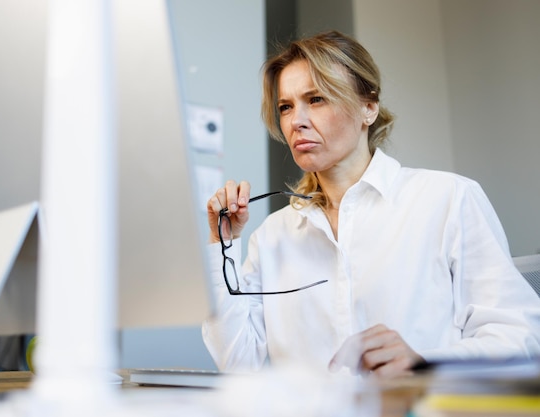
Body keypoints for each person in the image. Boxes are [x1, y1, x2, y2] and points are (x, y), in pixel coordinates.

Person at [202, 30, 540, 379]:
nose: (296, 121)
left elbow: (520, 338)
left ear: (368, 107)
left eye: (316, 99)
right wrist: (222, 244)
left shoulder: (448, 200)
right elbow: (238, 361)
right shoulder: (272, 235)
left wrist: (424, 362)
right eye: (285, 107)